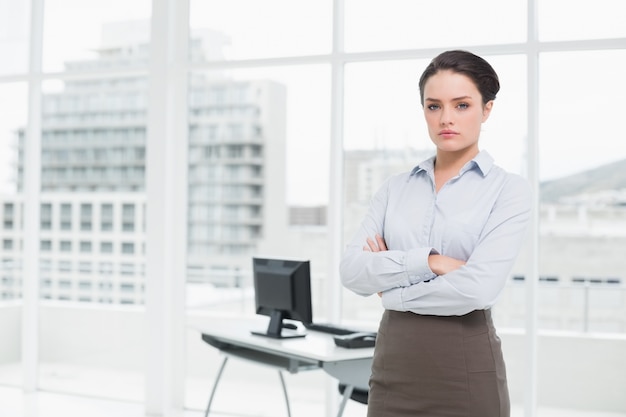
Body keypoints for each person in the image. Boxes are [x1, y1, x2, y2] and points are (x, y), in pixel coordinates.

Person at [339, 50, 532, 417]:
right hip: (392, 366)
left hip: (465, 367)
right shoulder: (395, 188)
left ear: (486, 109)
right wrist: (434, 262)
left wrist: (390, 290)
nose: (446, 119)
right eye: (433, 106)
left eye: (461, 105)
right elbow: (351, 271)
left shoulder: (508, 190)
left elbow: (478, 288)